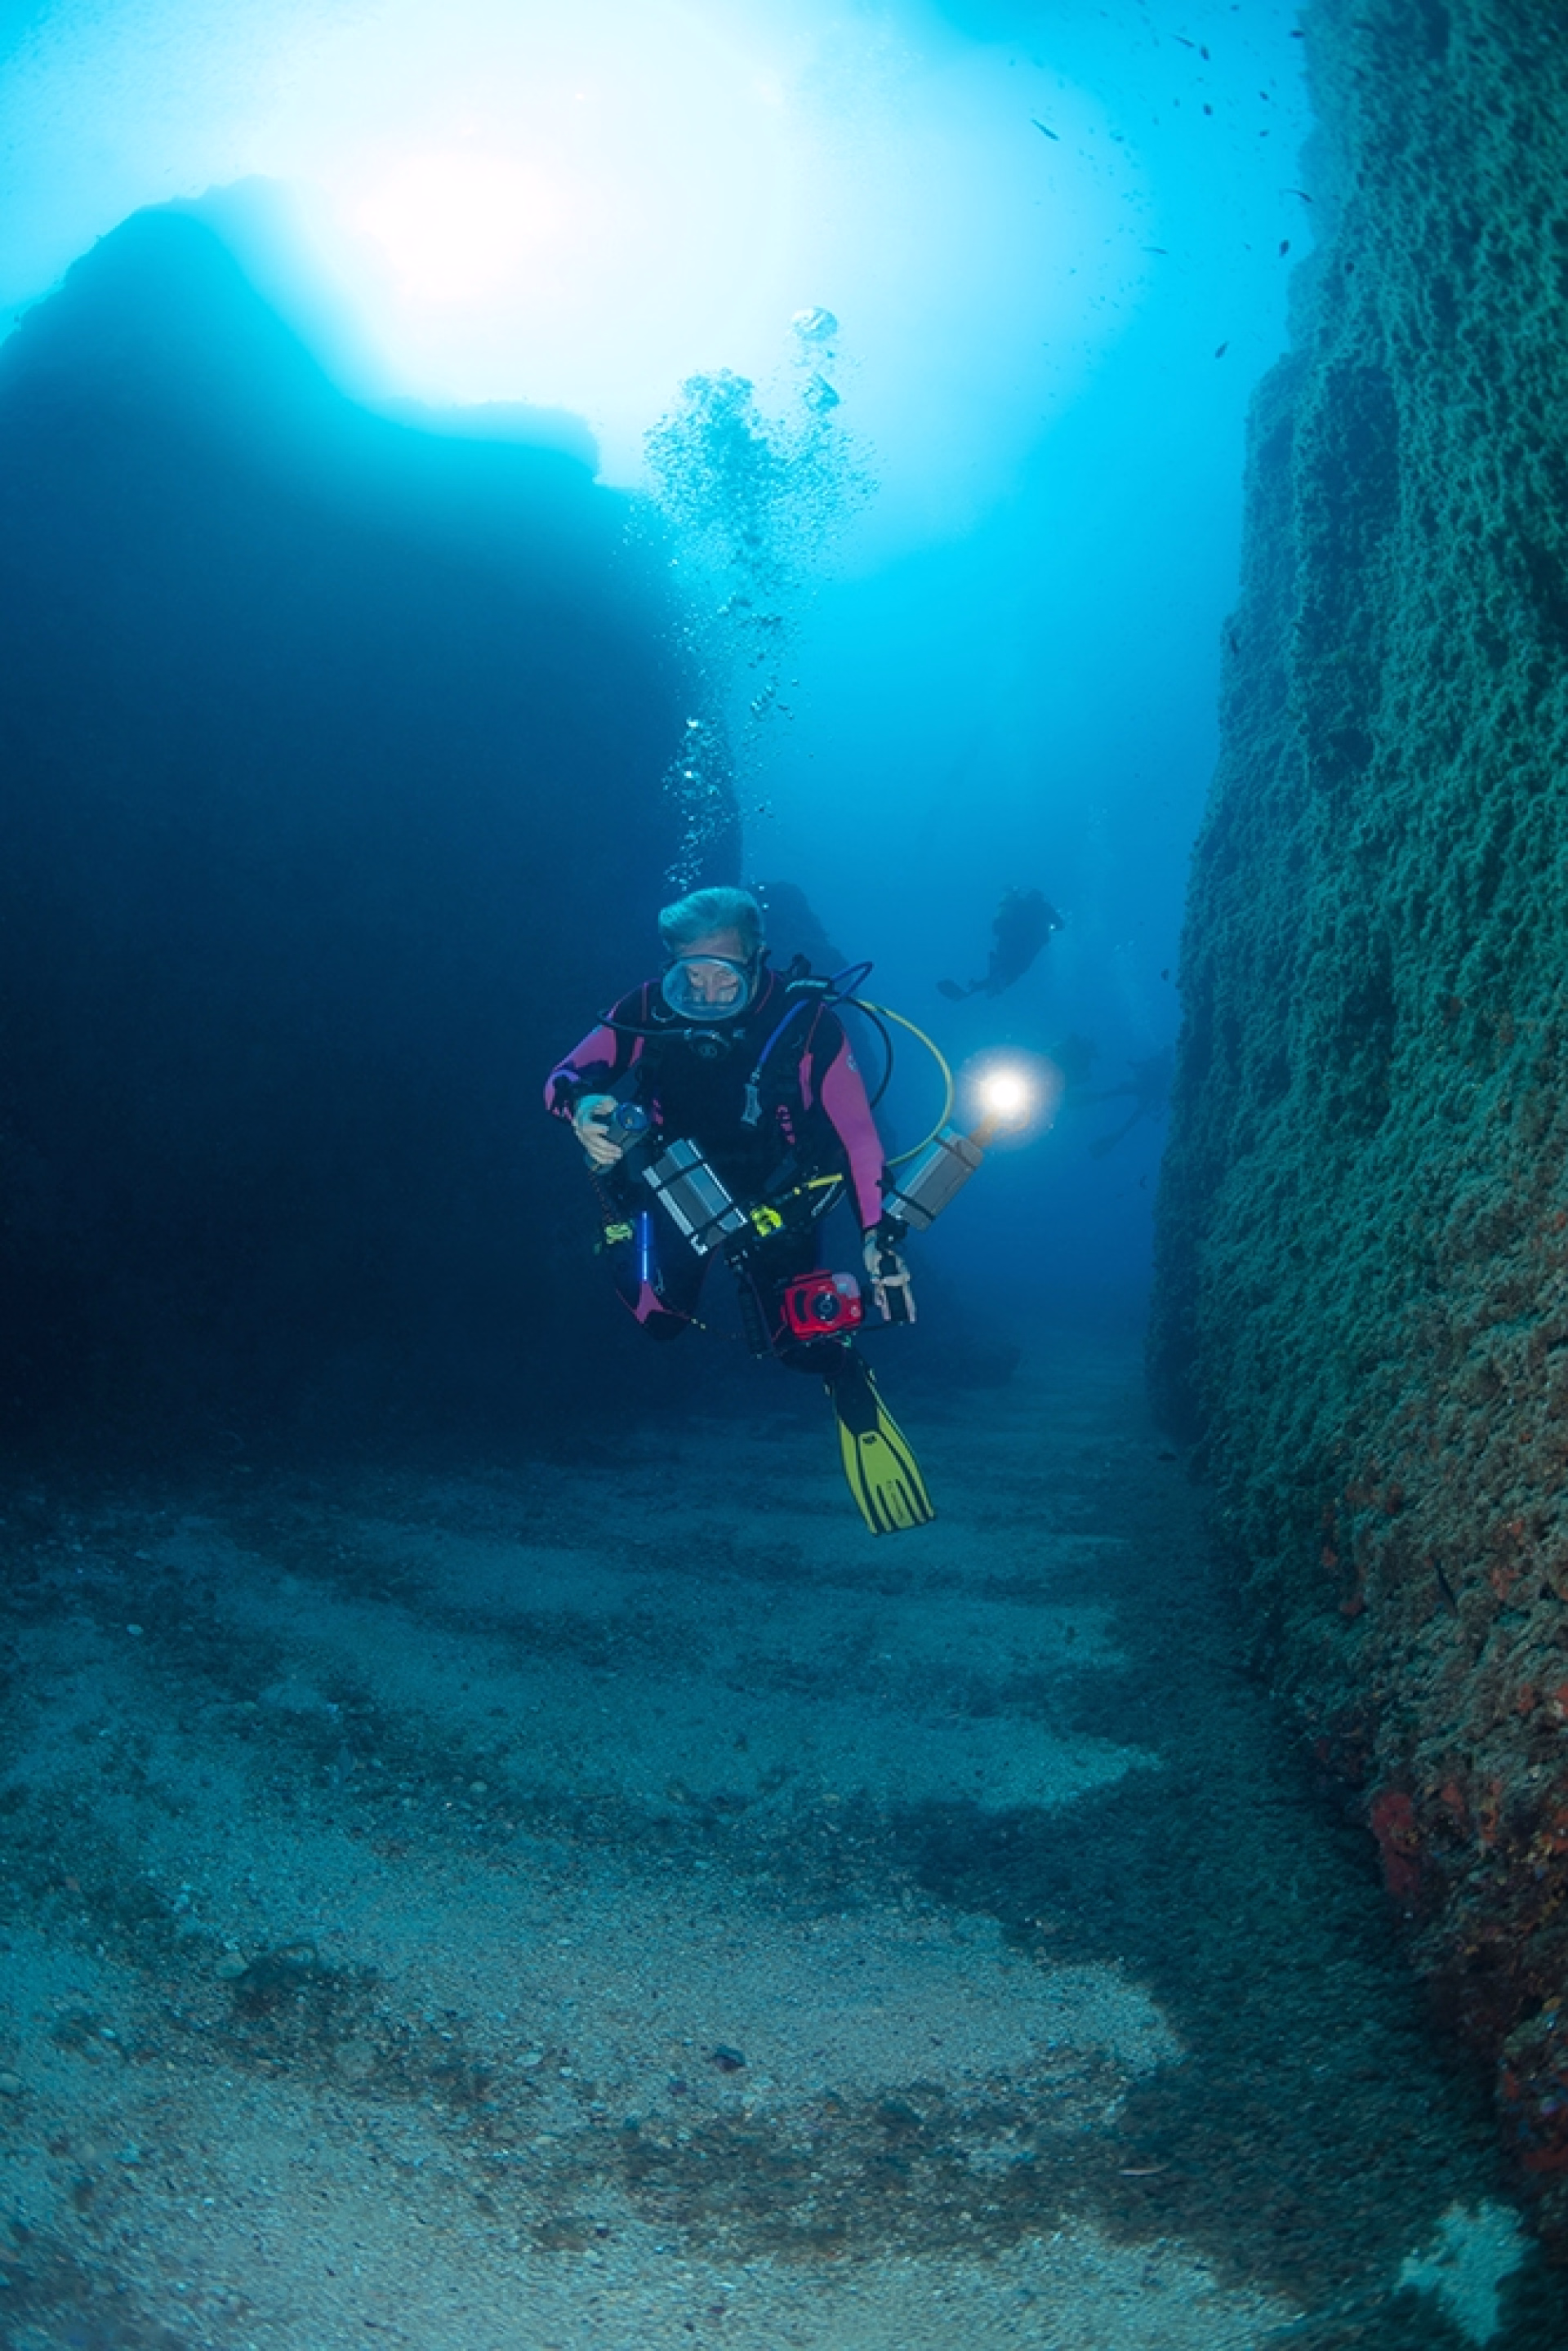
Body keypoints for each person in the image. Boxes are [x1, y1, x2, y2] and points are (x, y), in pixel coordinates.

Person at [545, 885, 933, 1534]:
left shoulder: (809, 1025)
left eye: (722, 976)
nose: (703, 996)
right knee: (659, 1319)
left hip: (776, 1201)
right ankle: (619, 1233)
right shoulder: (647, 1008)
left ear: (756, 960)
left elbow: (861, 1140)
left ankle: (845, 1376)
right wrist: (581, 1109)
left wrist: (877, 1236)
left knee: (801, 1349)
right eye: (687, 975)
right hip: (677, 1188)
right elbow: (563, 1077)